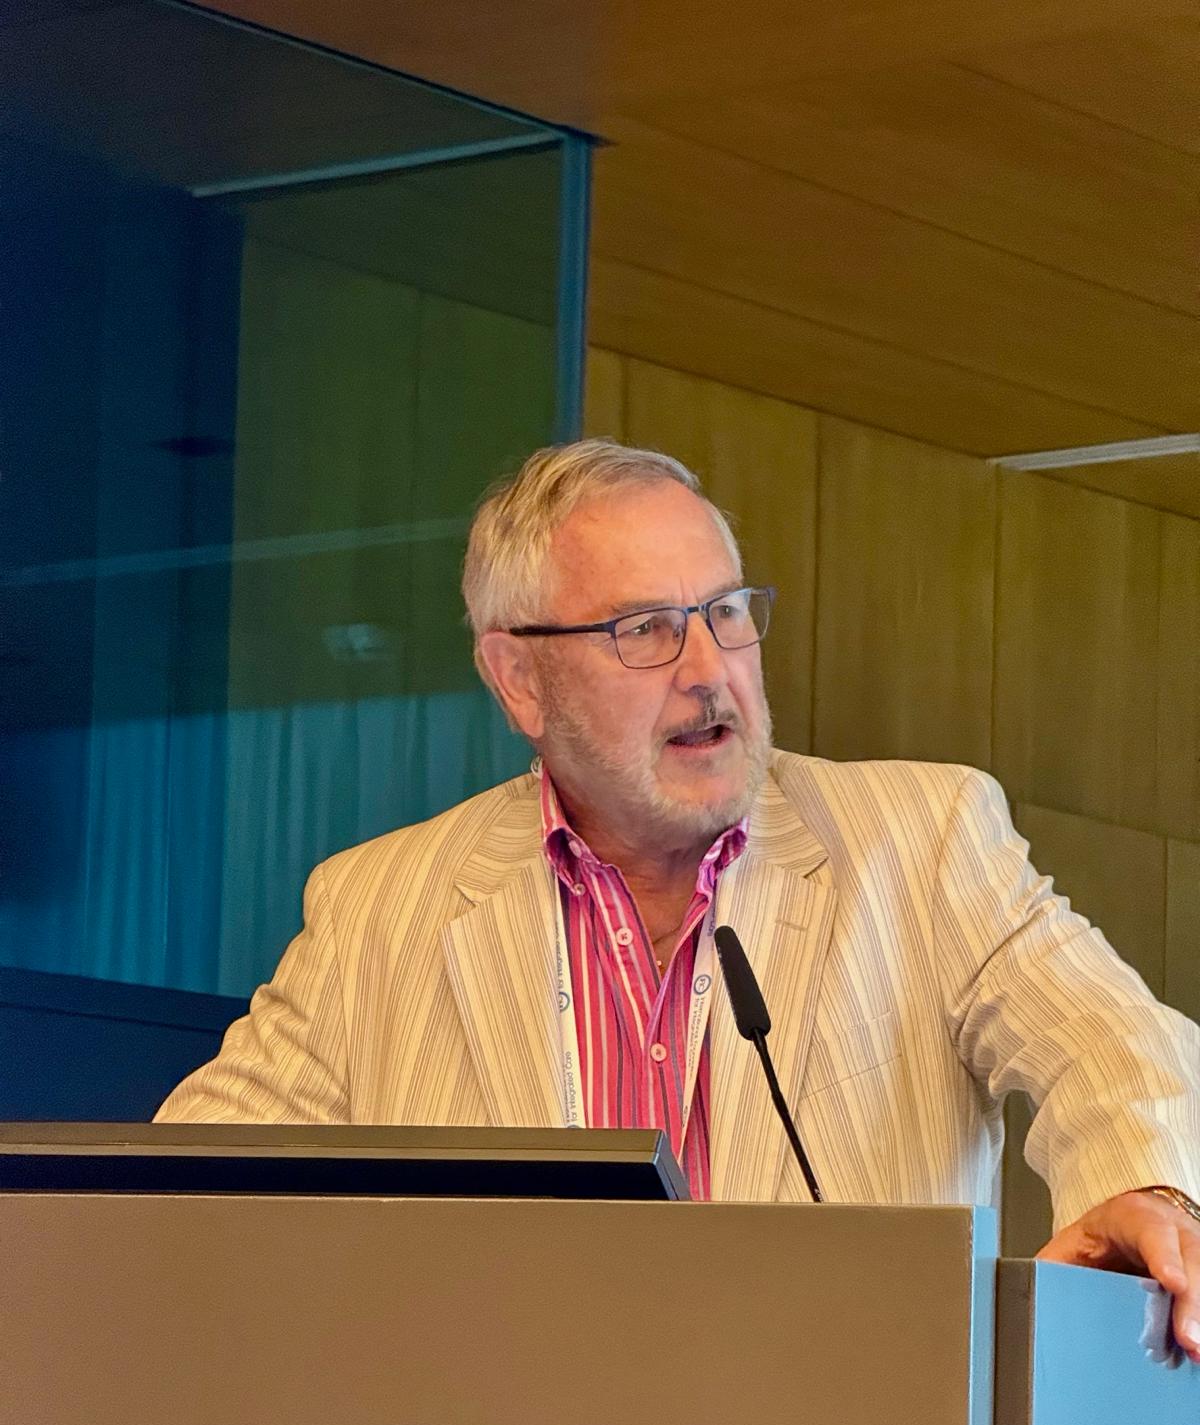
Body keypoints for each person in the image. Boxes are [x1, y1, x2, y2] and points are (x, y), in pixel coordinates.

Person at [157, 439, 1200, 1358]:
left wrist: (1144, 1187)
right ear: (518, 678)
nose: (710, 670)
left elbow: (1108, 1039)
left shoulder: (923, 844)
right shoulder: (382, 908)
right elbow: (186, 1195)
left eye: (727, 612)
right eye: (646, 628)